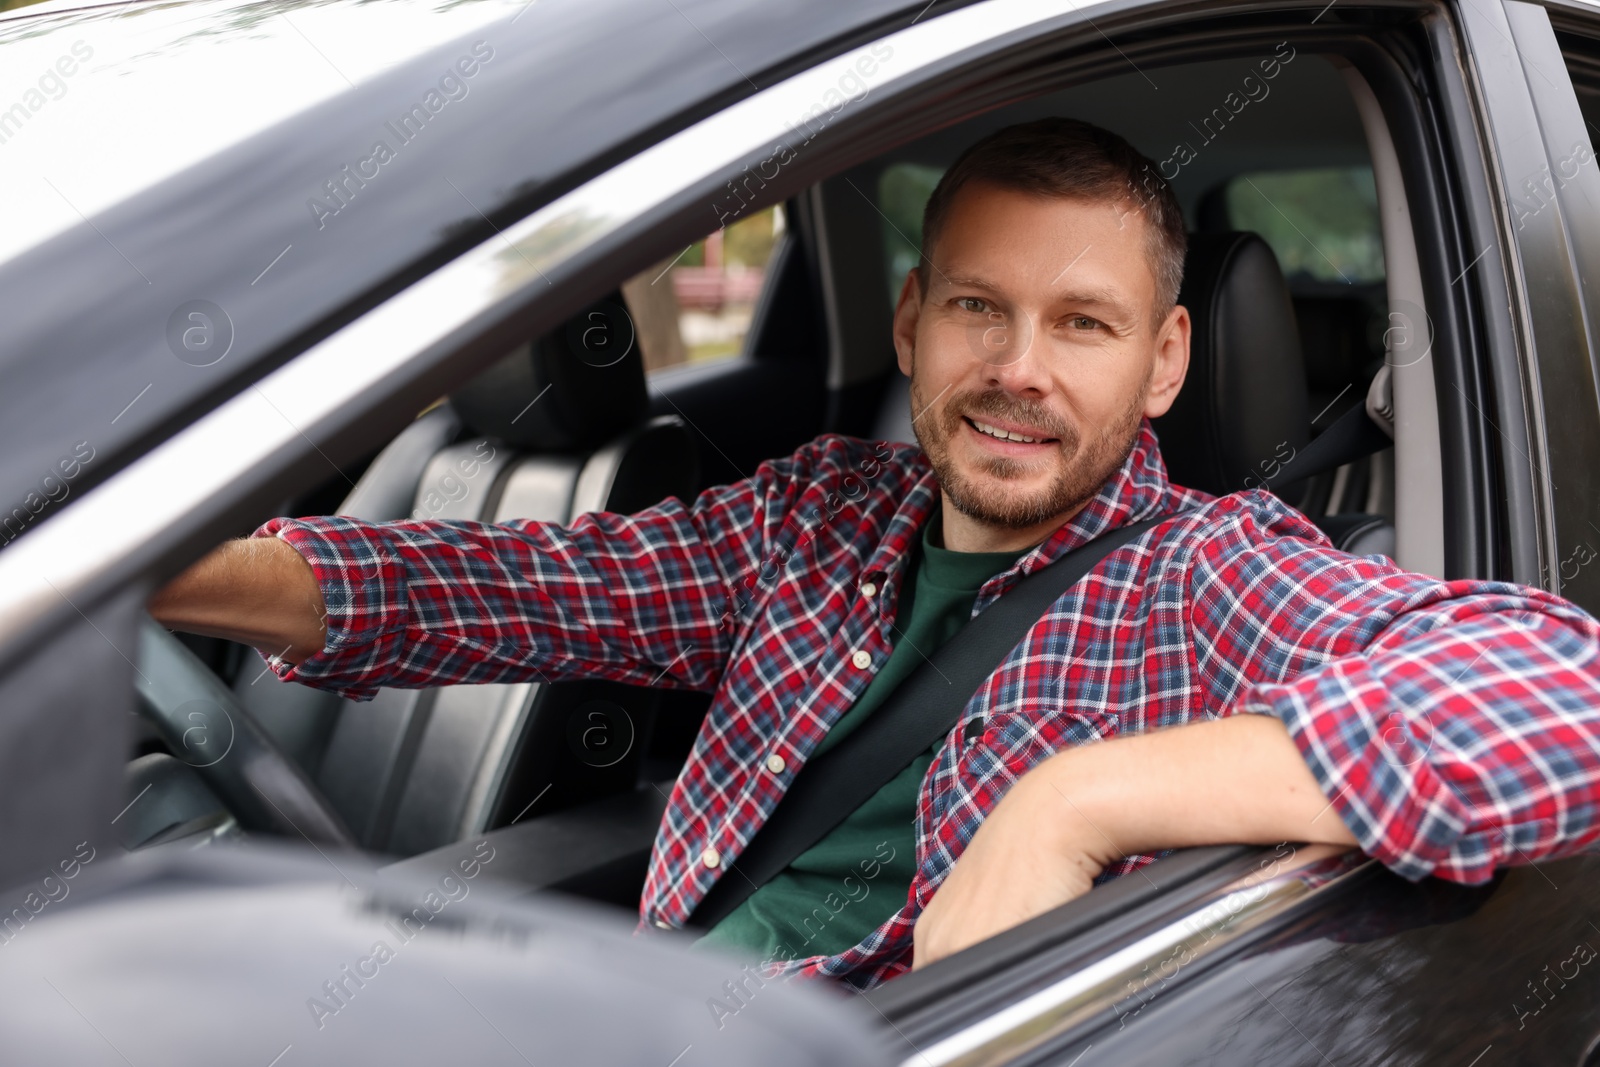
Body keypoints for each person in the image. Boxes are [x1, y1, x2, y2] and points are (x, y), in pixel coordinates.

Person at [149, 118, 1600, 990]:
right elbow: (513, 589)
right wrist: (143, 573)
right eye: (980, 308)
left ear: (1166, 365)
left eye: (1082, 325)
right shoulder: (817, 517)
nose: (1019, 369)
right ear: (911, 325)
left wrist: (1071, 800)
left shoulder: (1210, 575)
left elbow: (1561, 692)